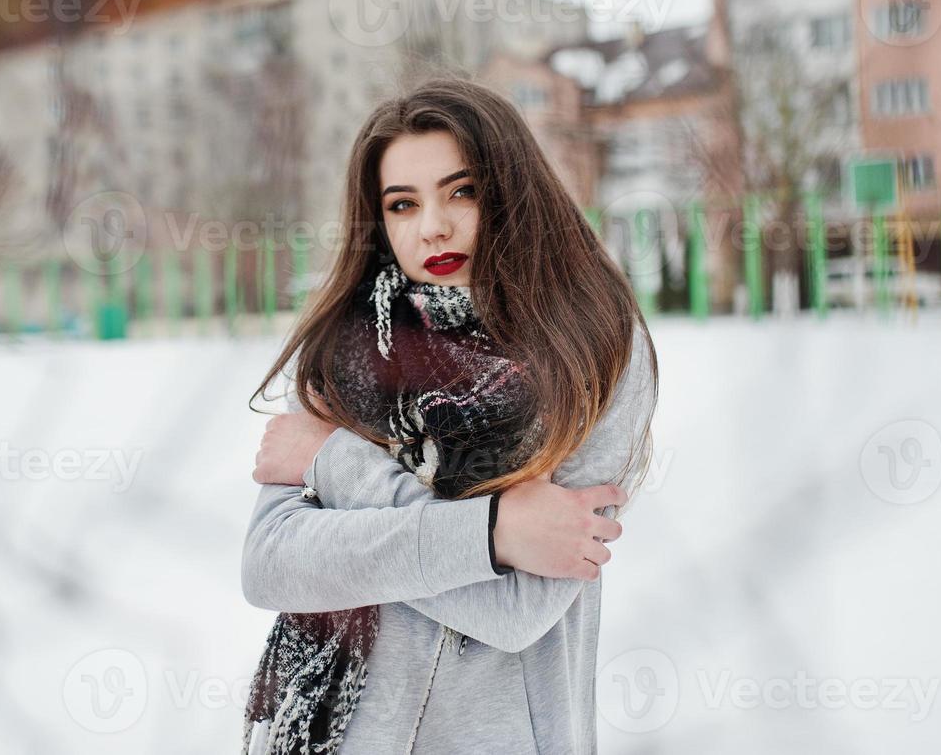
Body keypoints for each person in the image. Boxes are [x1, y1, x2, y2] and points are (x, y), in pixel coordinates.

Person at [240, 77, 659, 754]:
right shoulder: (341, 353)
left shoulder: (594, 347)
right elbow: (272, 566)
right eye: (402, 204)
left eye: (461, 191)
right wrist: (493, 534)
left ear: (513, 191)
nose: (432, 225)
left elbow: (515, 609)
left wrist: (334, 463)